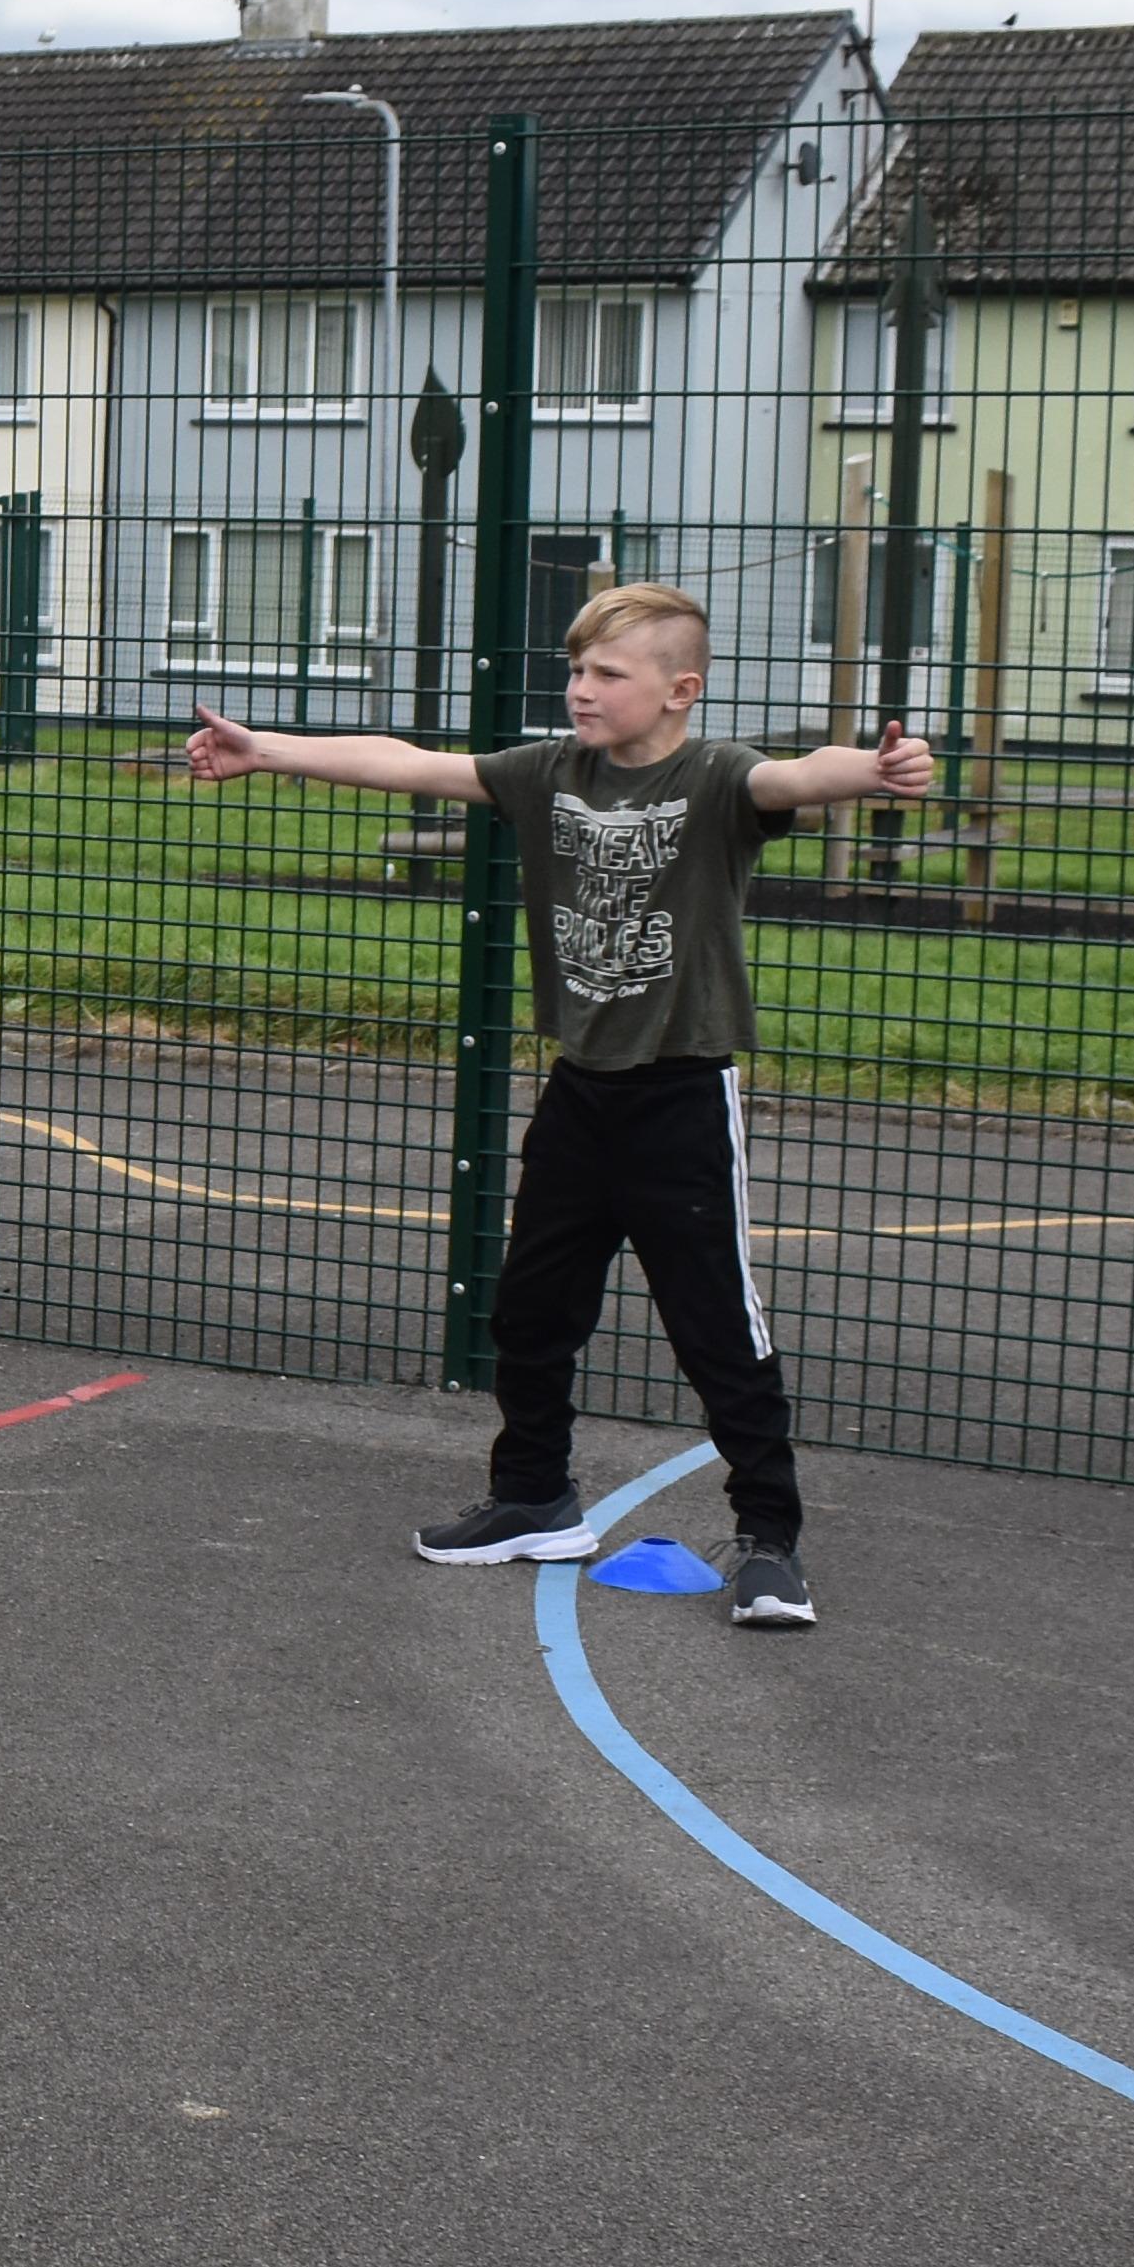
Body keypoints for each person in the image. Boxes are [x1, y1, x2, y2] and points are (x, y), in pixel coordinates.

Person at [186, 576, 931, 1628]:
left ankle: (771, 1542)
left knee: (718, 1331)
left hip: (680, 1098)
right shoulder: (549, 773)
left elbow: (799, 774)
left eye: (607, 673)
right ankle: (536, 1498)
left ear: (680, 690)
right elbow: (413, 762)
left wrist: (880, 769)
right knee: (531, 1312)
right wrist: (267, 749)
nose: (582, 688)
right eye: (576, 669)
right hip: (580, 1095)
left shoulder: (715, 779)